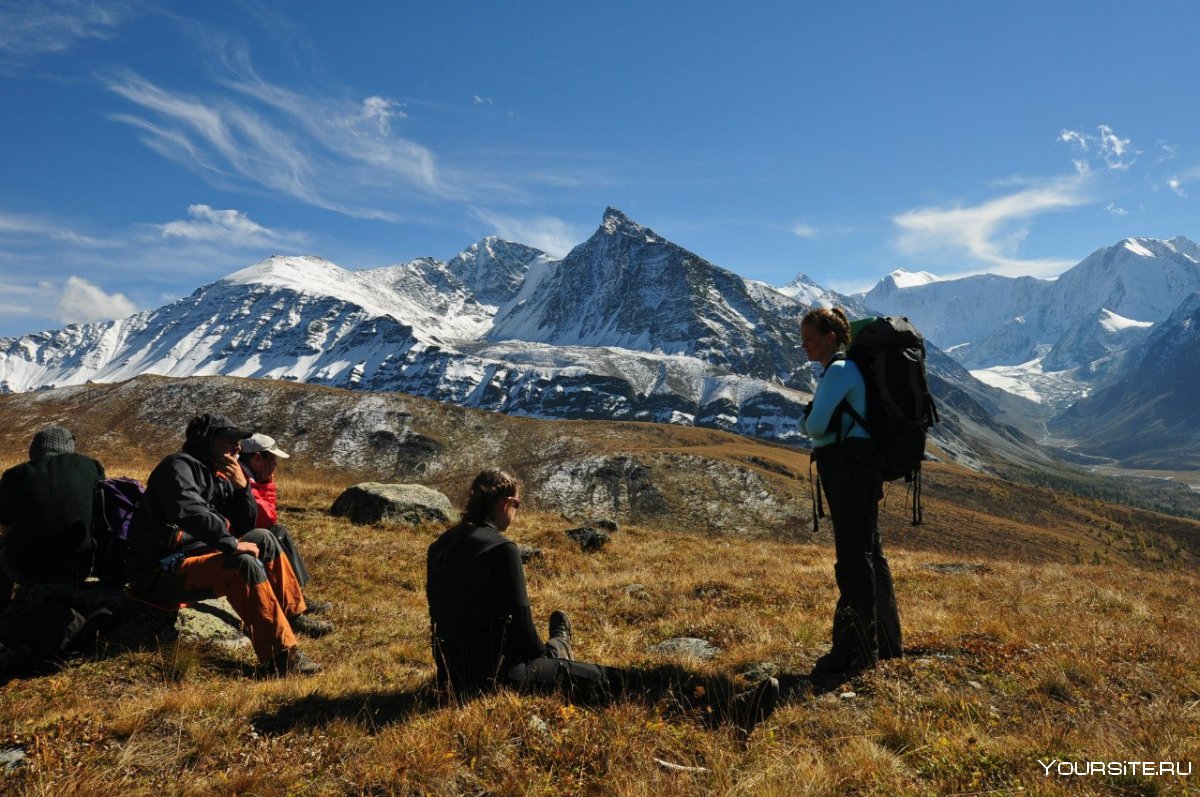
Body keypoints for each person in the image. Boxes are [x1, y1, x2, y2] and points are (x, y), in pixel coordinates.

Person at [426, 469, 779, 734]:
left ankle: (561, 640)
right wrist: (542, 655)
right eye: (517, 504)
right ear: (505, 503)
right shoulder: (501, 548)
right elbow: (521, 627)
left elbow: (440, 621)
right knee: (621, 681)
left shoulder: (441, 546)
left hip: (456, 676)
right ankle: (727, 713)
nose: (517, 512)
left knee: (560, 655)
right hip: (504, 676)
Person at [124, 413, 322, 675]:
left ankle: (293, 615)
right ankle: (281, 658)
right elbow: (191, 511)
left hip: (194, 558)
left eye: (238, 441)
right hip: (160, 572)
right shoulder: (176, 467)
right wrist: (230, 544)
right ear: (208, 441)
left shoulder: (216, 474)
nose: (237, 447)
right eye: (230, 439)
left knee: (264, 538)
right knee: (242, 565)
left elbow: (245, 526)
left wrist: (242, 490)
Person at [800, 307, 902, 684]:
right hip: (861, 467)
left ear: (830, 336)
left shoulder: (839, 371)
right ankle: (886, 642)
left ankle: (855, 651)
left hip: (847, 471)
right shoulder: (845, 370)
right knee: (870, 553)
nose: (805, 346)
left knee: (853, 559)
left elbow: (814, 425)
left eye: (810, 339)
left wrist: (807, 422)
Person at [0, 426, 105, 609]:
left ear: (33, 450)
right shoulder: (92, 467)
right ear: (70, 448)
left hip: (27, 571)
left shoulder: (13, 476)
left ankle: (4, 610)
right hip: (81, 567)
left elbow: (5, 529)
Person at [239, 433, 331, 616]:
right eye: (272, 459)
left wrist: (264, 482)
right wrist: (266, 484)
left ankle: (296, 594)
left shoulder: (249, 476)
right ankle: (294, 601)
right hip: (236, 538)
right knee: (274, 533)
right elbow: (266, 517)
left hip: (240, 533)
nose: (275, 465)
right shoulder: (240, 479)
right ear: (257, 458)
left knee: (278, 530)